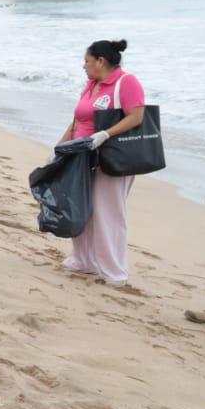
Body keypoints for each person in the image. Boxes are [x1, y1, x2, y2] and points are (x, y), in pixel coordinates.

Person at [56, 40, 146, 284]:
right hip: (82, 156)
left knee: (109, 213)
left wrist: (106, 134)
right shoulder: (91, 85)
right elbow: (77, 119)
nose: (83, 66)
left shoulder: (126, 82)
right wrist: (61, 147)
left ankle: (114, 272)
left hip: (112, 159)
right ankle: (84, 260)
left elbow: (137, 116)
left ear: (100, 61)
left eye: (86, 61)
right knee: (82, 208)